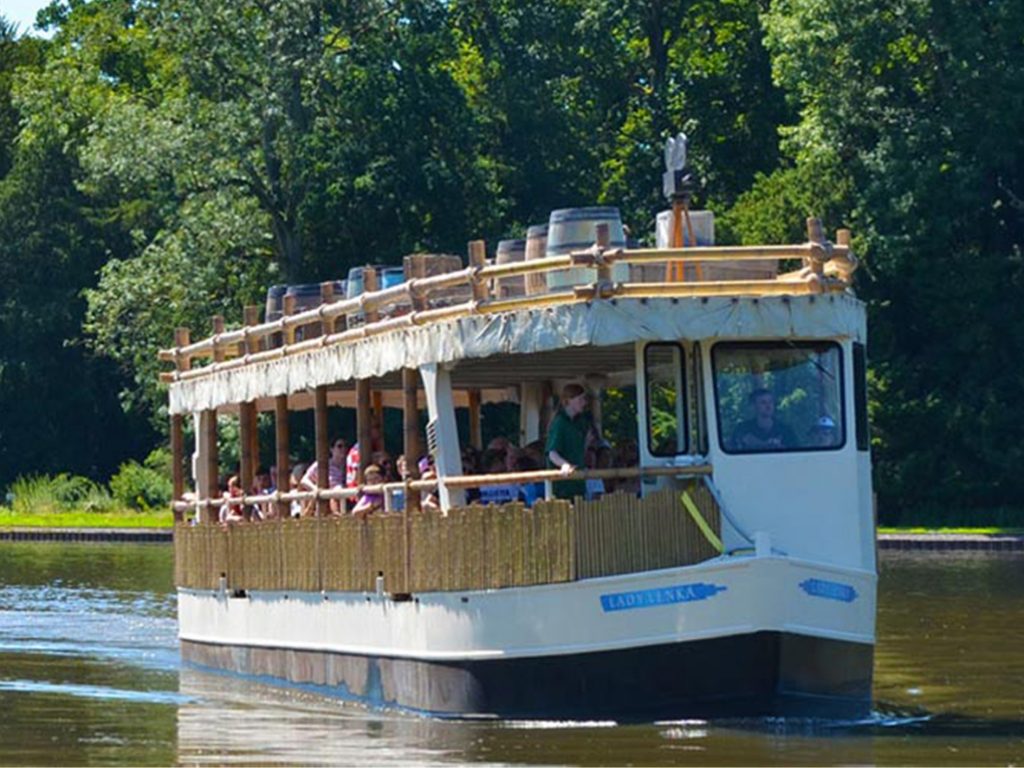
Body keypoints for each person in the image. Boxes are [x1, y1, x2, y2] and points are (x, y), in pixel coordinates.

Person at [546, 383, 590, 500]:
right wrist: (565, 465)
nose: (584, 403)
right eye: (580, 399)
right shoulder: (560, 423)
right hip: (562, 487)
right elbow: (552, 453)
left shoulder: (580, 423)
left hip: (578, 484)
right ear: (569, 400)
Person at [731, 388, 796, 451]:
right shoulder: (743, 429)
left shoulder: (785, 430)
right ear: (753, 406)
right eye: (763, 402)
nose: (768, 406)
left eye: (770, 402)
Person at [301, 439, 348, 514]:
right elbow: (304, 480)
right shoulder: (322, 464)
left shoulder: (349, 464)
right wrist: (316, 489)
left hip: (345, 499)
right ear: (332, 449)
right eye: (339, 446)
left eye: (345, 446)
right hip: (327, 499)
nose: (343, 449)